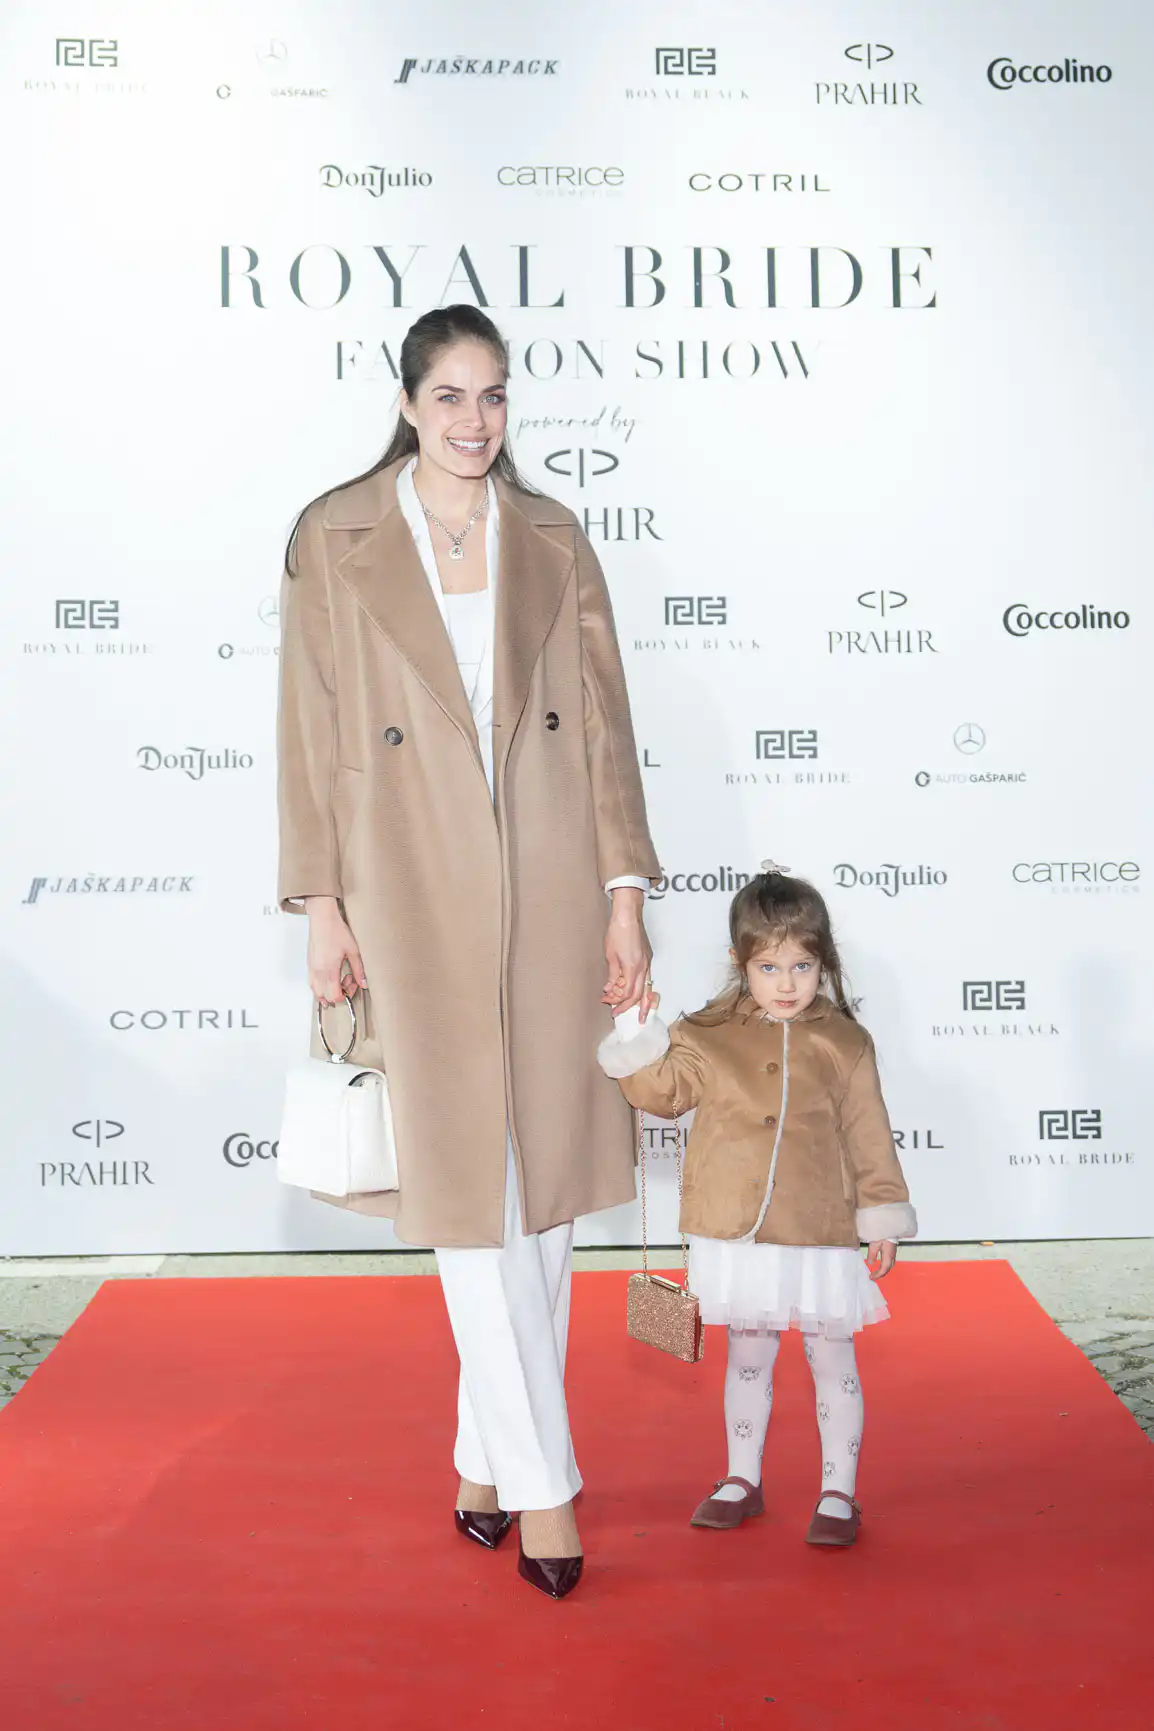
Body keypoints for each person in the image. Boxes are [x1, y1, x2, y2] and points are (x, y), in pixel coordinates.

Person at [277, 304, 661, 1599]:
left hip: (550, 884)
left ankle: (484, 1460)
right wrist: (321, 902)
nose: (474, 421)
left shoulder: (550, 535)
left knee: (536, 1185)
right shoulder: (333, 535)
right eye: (448, 395)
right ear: (405, 403)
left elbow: (604, 731)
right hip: (405, 887)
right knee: (467, 1190)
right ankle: (547, 1485)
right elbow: (306, 727)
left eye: (492, 395)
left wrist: (622, 895)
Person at [597, 863, 916, 1546]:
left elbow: (870, 1134)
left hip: (819, 1224)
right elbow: (661, 1093)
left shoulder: (846, 1042)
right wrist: (633, 1028)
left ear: (824, 962)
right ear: (740, 962)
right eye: (769, 967)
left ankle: (838, 1490)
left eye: (802, 966)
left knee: (832, 1356)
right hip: (735, 1231)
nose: (787, 983)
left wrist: (882, 1216)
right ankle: (742, 1477)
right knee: (747, 1353)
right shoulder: (706, 1031)